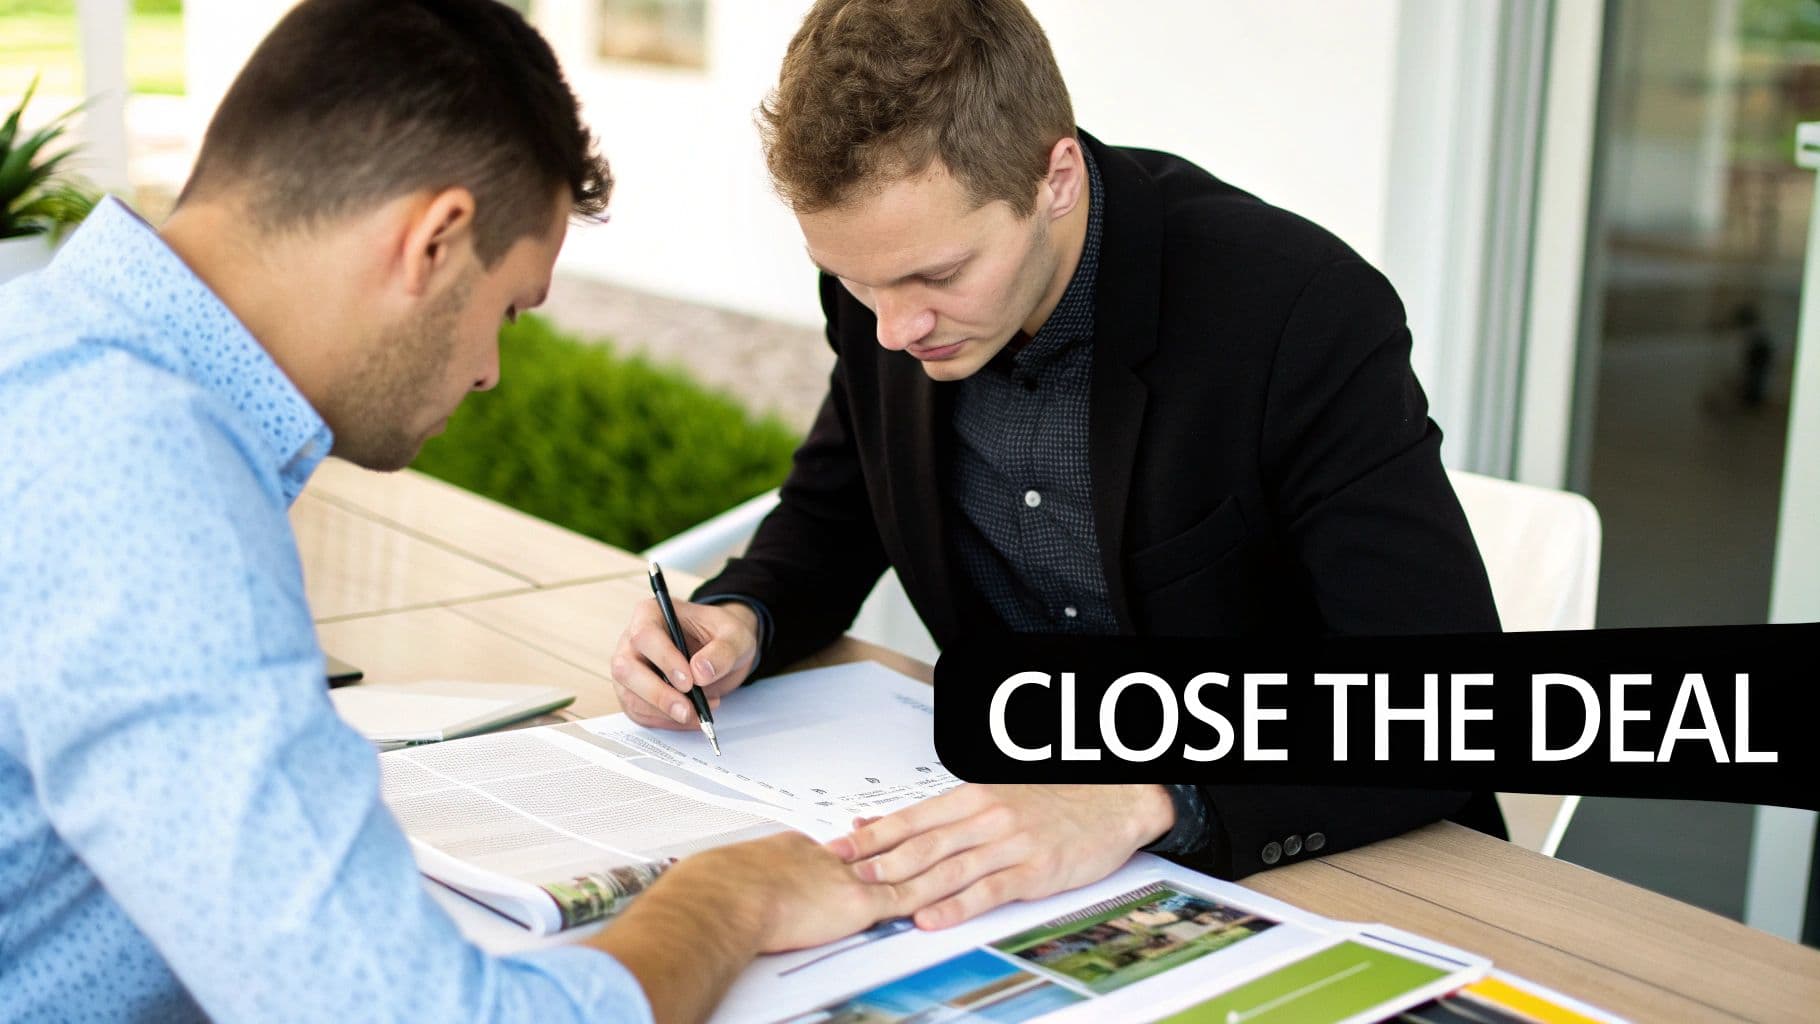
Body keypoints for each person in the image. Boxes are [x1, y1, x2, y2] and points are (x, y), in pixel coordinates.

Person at [0, 2, 901, 1021]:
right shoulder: (145, 485)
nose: (489, 373)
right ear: (433, 242)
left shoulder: (49, 351)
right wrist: (729, 897)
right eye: (508, 309)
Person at [611, 0, 1505, 932]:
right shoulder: (891, 282)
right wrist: (740, 618)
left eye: (939, 277)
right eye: (854, 282)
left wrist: (1145, 799)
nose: (895, 329)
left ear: (1058, 179)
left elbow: (1448, 705)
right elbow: (836, 512)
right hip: (1026, 865)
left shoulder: (1296, 312)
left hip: (1344, 874)